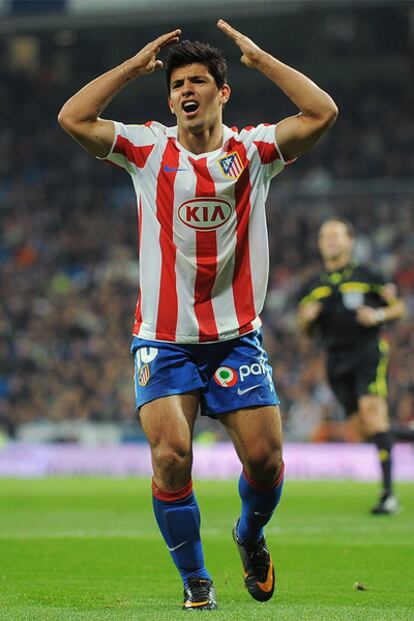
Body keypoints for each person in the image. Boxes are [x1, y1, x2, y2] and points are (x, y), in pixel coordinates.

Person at [58, 19, 337, 610]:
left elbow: (321, 114)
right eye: (177, 83)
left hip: (236, 337)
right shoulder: (146, 148)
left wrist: (262, 60)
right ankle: (194, 578)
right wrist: (132, 69)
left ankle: (249, 536)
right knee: (169, 456)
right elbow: (73, 118)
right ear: (169, 97)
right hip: (163, 337)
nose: (186, 90)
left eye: (199, 81)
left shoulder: (254, 151)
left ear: (222, 92)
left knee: (265, 462)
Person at [297, 218, 407, 515]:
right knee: (361, 430)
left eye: (336, 235)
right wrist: (306, 320)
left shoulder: (368, 274)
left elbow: (399, 308)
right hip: (335, 360)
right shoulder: (313, 285)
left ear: (349, 240)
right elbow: (306, 331)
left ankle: (388, 496)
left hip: (366, 352)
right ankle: (407, 433)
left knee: (373, 416)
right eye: (324, 236)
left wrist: (378, 316)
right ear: (319, 244)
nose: (330, 240)